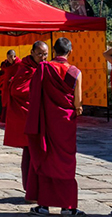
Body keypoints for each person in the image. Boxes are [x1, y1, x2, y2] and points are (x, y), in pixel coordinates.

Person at [25, 37, 85, 216]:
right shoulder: (75, 72)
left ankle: (44, 206)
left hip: (46, 123)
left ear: (53, 50)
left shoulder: (43, 68)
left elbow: (34, 97)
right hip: (65, 125)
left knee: (46, 160)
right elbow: (78, 104)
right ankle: (67, 207)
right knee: (66, 163)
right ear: (70, 52)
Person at [4, 41, 48, 192]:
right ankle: (31, 189)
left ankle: (36, 190)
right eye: (40, 54)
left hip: (40, 114)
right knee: (30, 152)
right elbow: (18, 90)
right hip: (29, 115)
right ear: (32, 52)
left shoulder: (42, 67)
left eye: (45, 54)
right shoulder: (26, 68)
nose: (43, 58)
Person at [0, 49, 21, 121]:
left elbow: (21, 74)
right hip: (6, 86)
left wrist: (13, 78)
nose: (9, 59)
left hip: (15, 86)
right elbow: (0, 74)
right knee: (5, 101)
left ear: (15, 56)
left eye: (11, 57)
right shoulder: (5, 65)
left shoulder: (19, 64)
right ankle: (6, 118)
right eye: (8, 57)